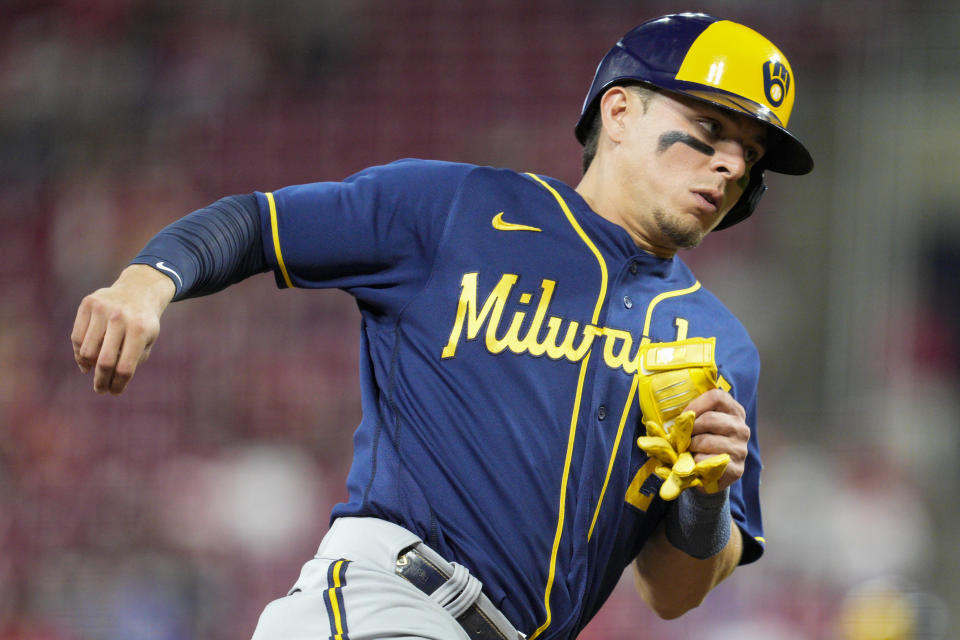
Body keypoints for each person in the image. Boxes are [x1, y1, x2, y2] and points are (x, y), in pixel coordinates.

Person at [71, 12, 813, 640]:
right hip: (387, 598)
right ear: (619, 114)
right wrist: (147, 281)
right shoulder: (455, 209)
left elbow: (672, 593)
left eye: (748, 156)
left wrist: (707, 497)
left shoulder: (721, 350)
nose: (728, 167)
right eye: (707, 130)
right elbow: (258, 223)